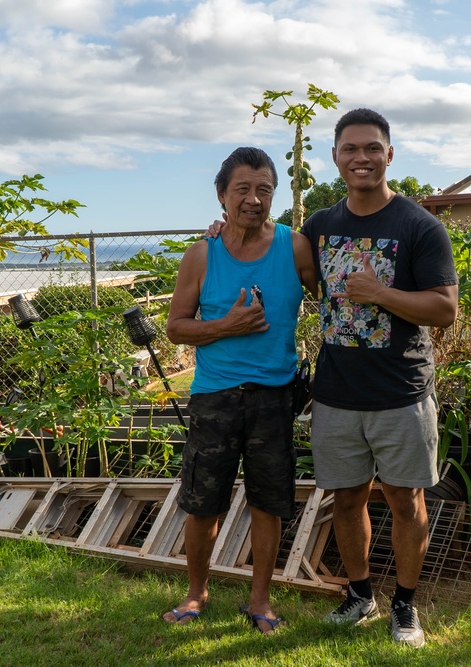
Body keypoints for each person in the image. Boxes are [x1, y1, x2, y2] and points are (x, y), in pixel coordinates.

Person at [302, 108, 458, 648]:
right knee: (345, 501)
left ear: (389, 155)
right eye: (351, 149)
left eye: (372, 148)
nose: (361, 158)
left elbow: (444, 309)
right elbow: (280, 263)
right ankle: (360, 594)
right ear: (336, 157)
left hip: (400, 395)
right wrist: (225, 228)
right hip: (337, 394)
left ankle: (406, 606)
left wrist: (380, 294)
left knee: (405, 501)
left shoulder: (418, 226)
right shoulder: (320, 226)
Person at [163, 146, 317, 635]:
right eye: (242, 189)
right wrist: (227, 326)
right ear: (221, 195)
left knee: (268, 501)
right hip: (215, 395)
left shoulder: (295, 247)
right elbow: (176, 328)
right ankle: (195, 593)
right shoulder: (200, 254)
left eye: (264, 190)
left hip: (274, 396)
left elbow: (330, 298)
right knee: (202, 500)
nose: (254, 199)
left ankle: (260, 600)